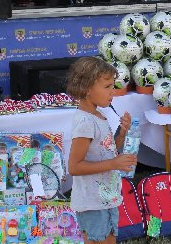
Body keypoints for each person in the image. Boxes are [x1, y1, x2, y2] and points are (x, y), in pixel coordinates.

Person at [67, 57, 135, 244]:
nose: (112, 91)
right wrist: (114, 163)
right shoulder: (85, 122)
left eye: (113, 86)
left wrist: (122, 133)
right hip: (92, 203)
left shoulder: (99, 115)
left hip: (105, 197)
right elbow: (74, 167)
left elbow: (107, 149)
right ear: (86, 89)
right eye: (107, 87)